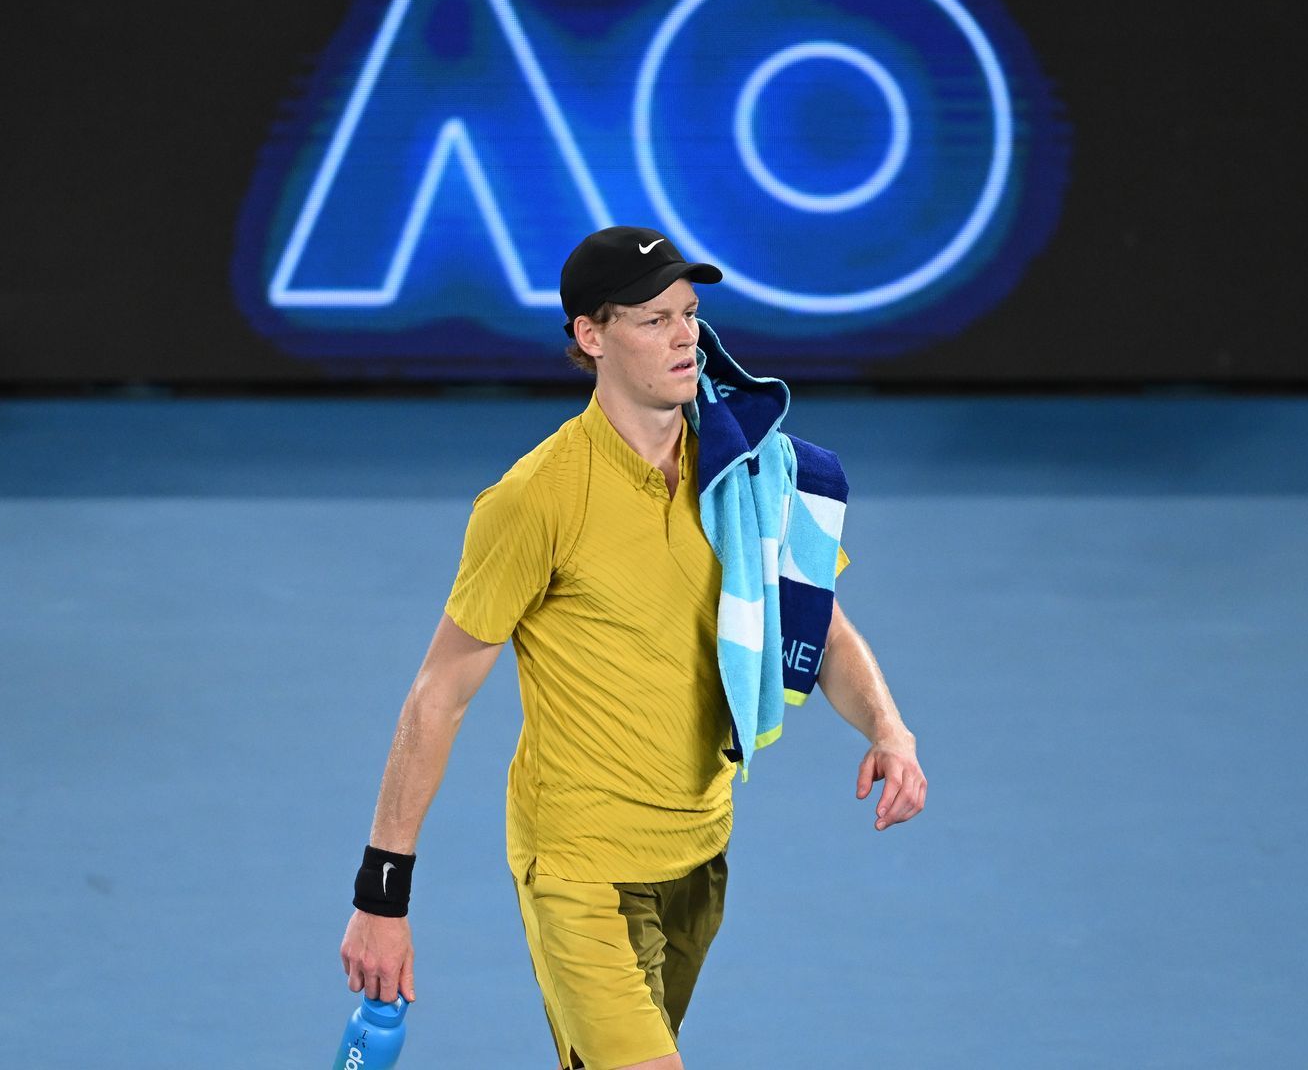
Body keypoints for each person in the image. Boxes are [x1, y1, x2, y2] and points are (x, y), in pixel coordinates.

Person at [339, 226, 926, 1070]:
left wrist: (888, 728)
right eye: (653, 320)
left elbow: (817, 617)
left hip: (699, 856)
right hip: (581, 869)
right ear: (591, 336)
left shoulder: (743, 473)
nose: (685, 335)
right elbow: (440, 694)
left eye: (689, 313)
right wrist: (381, 899)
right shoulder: (534, 500)